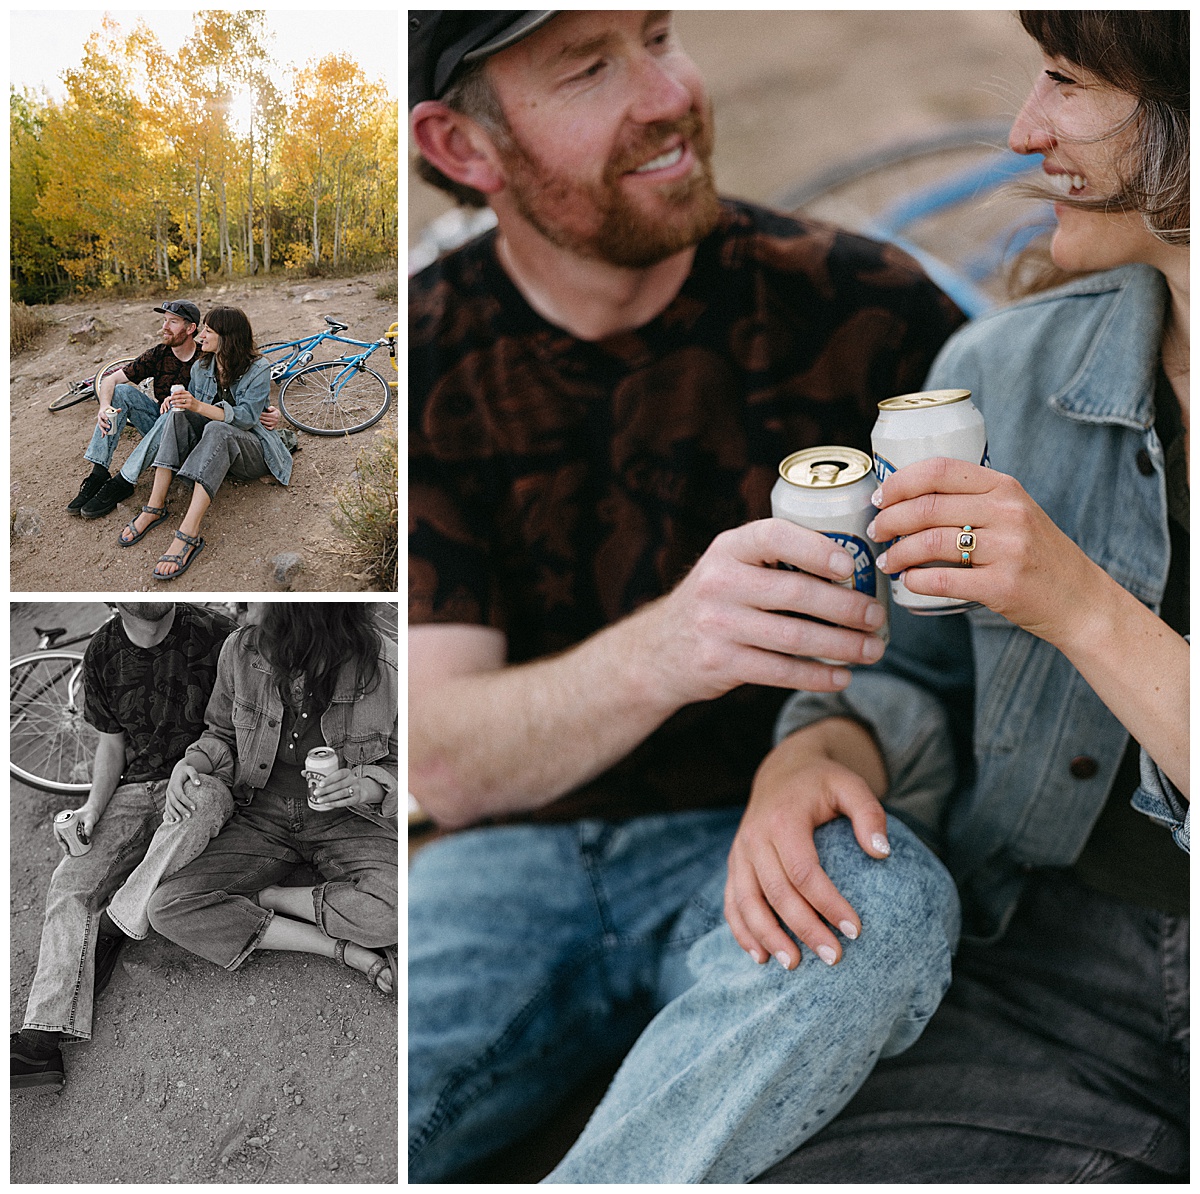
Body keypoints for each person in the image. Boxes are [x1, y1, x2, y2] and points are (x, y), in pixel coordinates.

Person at [408, 11, 967, 1183]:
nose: (667, 93)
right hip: (504, 858)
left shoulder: (872, 309)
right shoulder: (425, 357)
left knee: (891, 912)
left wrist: (838, 750)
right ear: (463, 148)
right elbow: (441, 758)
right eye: (591, 67)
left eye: (659, 33)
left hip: (770, 839)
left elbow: (987, 675)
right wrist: (671, 648)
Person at [753, 10, 1188, 1182]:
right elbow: (917, 672)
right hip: (1047, 969)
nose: (1018, 129)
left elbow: (1068, 610)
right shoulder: (998, 376)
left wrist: (1082, 606)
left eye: (1064, 81)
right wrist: (818, 749)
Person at [11, 601, 238, 1092]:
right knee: (69, 879)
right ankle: (40, 1043)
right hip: (136, 789)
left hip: (205, 778)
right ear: (111, 602)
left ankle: (114, 925)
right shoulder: (101, 652)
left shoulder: (219, 631)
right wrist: (93, 809)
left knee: (199, 810)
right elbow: (111, 746)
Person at [145, 604, 398, 996]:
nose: (242, 614)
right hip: (260, 813)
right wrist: (192, 762)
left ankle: (270, 896)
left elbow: (406, 761)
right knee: (167, 907)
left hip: (350, 818)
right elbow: (220, 734)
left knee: (398, 913)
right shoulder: (240, 649)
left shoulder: (381, 663)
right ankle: (338, 948)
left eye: (258, 610)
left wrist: (369, 787)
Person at [112, 305, 294, 581]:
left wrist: (197, 405)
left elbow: (244, 419)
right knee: (178, 415)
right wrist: (182, 404)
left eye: (208, 331)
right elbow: (196, 415)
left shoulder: (258, 368)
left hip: (252, 452)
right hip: (214, 450)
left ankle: (188, 534)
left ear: (227, 336)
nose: (201, 337)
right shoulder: (202, 366)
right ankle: (154, 507)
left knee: (219, 429)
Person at [71, 300, 281, 520]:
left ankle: (124, 481)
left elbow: (239, 391)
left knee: (175, 411)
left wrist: (267, 411)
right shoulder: (159, 354)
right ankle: (98, 471)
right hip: (163, 422)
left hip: (188, 429)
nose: (164, 327)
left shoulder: (209, 355)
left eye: (172, 322)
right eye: (164, 321)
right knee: (121, 392)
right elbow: (110, 379)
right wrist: (104, 407)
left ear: (190, 328)